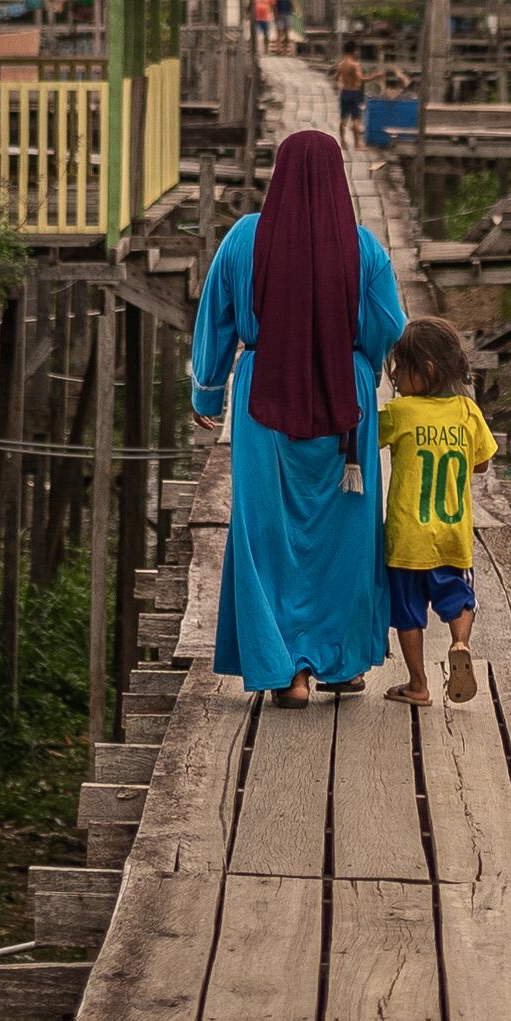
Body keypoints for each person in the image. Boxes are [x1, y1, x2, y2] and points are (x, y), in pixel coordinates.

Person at [188, 127, 402, 704]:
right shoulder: (364, 248)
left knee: (267, 535)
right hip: (345, 412)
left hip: (265, 406)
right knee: (345, 537)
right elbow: (391, 329)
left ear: (277, 175)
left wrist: (208, 395)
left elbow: (217, 321)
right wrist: (358, 365)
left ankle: (287, 671)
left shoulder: (243, 239)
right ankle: (339, 664)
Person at [376, 314, 497, 707]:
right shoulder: (467, 413)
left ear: (424, 371)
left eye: (399, 370)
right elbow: (482, 464)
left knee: (408, 614)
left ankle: (418, 684)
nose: (395, 378)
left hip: (407, 538)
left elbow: (362, 441)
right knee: (459, 597)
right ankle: (460, 643)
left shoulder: (400, 413)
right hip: (452, 534)